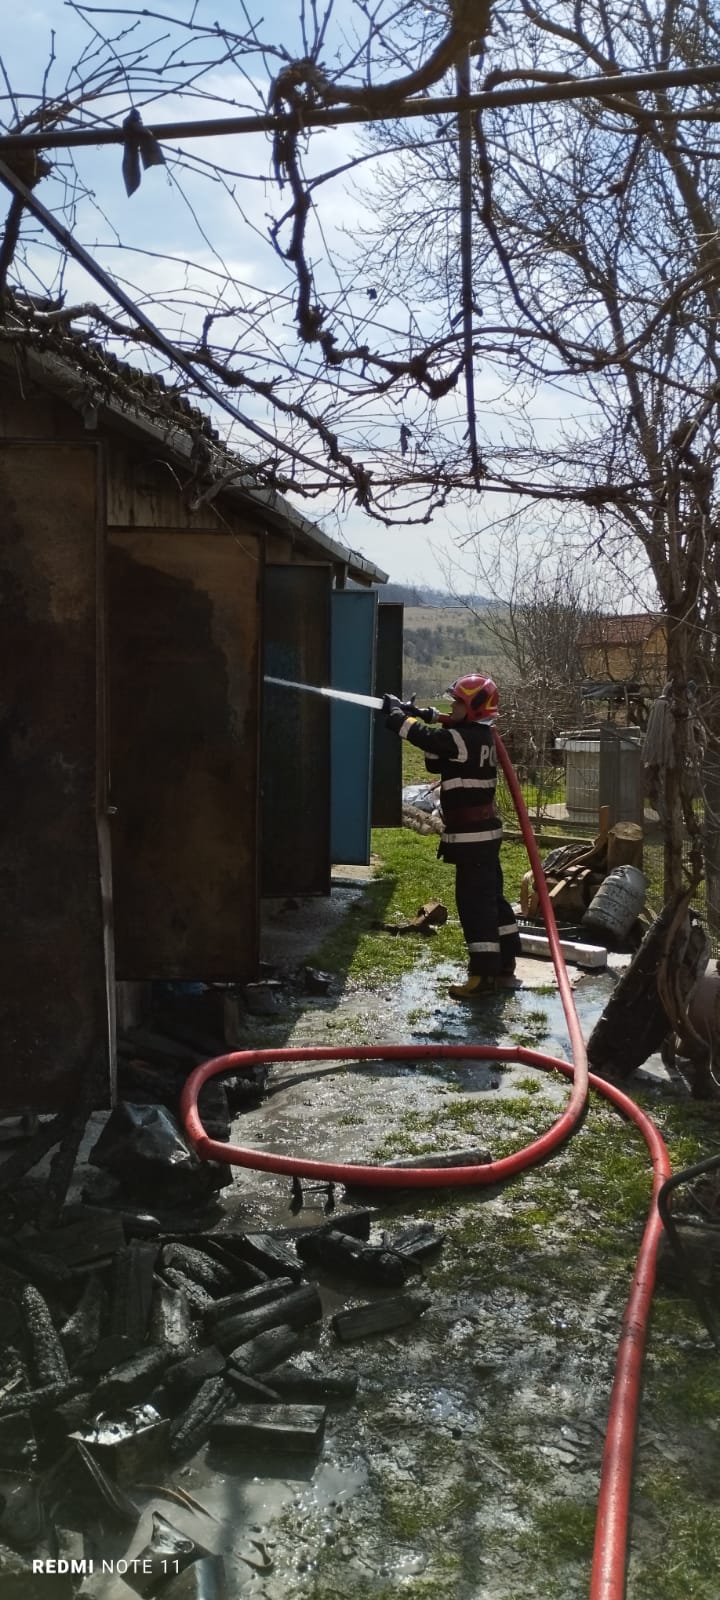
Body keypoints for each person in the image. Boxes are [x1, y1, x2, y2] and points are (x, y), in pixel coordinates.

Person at [383, 674, 521, 999]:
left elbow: (426, 739)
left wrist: (398, 715)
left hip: (473, 837)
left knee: (474, 904)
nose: (452, 706)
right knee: (492, 898)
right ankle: (505, 961)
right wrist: (420, 715)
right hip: (482, 835)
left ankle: (483, 976)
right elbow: (436, 761)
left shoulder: (464, 738)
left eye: (458, 702)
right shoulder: (477, 736)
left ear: (473, 708)